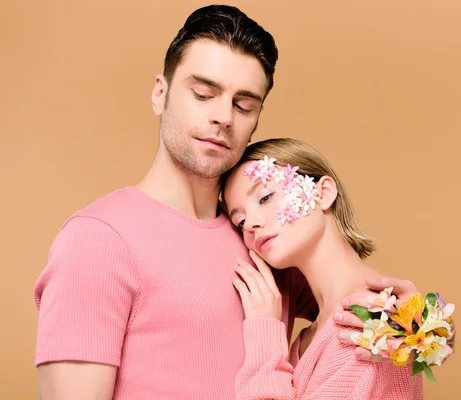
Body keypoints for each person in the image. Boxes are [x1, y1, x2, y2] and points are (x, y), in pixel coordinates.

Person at [33, 4, 426, 400]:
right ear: (160, 93)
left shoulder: (268, 245)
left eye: (243, 104)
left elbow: (353, 327)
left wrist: (424, 326)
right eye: (203, 93)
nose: (223, 116)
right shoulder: (97, 241)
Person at [222, 138, 424, 399]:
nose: (251, 224)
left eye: (265, 197)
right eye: (240, 220)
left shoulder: (369, 323)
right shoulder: (318, 331)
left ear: (323, 193)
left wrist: (265, 335)